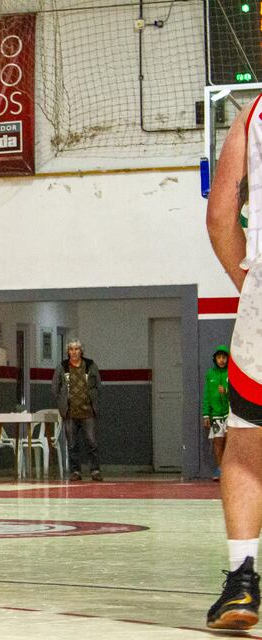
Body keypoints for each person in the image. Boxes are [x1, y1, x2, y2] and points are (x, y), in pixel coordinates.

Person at [203, 101, 262, 630]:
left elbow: (221, 214)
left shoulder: (253, 115)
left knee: (245, 448)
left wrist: (250, 289)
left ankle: (243, 583)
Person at [51, 339, 102, 482]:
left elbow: (98, 385)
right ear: (68, 351)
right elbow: (55, 388)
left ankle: (95, 470)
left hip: (88, 411)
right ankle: (75, 471)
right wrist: (62, 403)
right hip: (69, 412)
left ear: (81, 351)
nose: (74, 352)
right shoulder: (62, 367)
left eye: (77, 349)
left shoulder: (91, 366)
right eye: (71, 349)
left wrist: (93, 401)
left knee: (92, 442)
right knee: (72, 443)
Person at [203, 345, 230, 482]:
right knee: (218, 442)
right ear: (215, 359)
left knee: (230, 443)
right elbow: (206, 395)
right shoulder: (210, 374)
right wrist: (206, 414)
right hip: (216, 415)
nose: (221, 360)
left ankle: (231, 470)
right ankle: (221, 469)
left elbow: (238, 393)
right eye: (219, 357)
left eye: (224, 357)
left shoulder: (231, 373)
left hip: (230, 415)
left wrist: (226, 391)